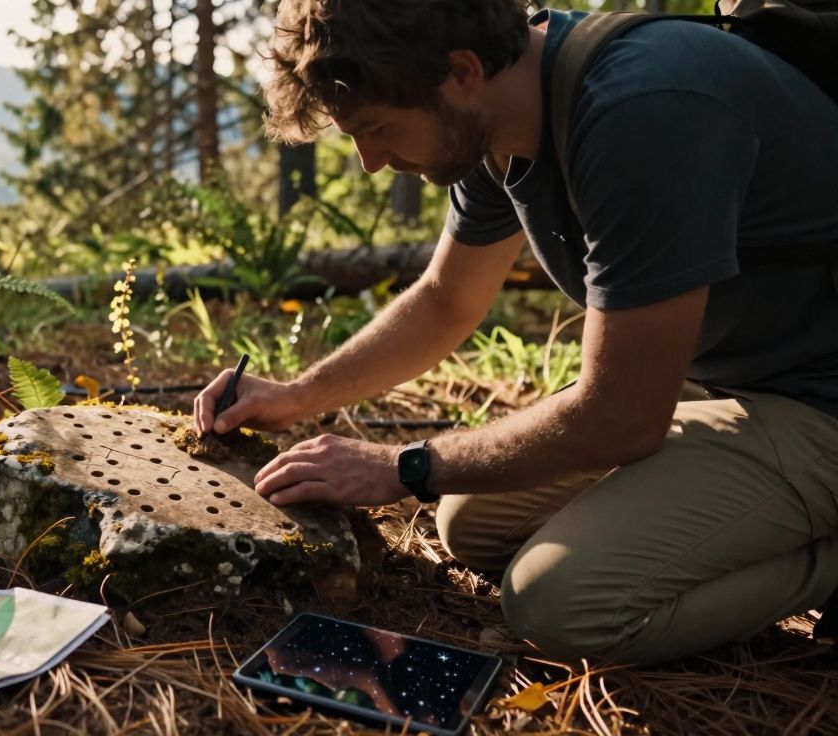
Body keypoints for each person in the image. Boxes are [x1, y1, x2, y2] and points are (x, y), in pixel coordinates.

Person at [191, 0, 838, 666]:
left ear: (462, 71)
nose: (370, 161)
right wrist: (300, 394)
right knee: (472, 522)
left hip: (818, 402)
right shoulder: (499, 116)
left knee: (559, 605)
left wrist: (399, 466)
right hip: (732, 382)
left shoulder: (641, 110)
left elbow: (621, 416)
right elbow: (447, 301)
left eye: (379, 127)